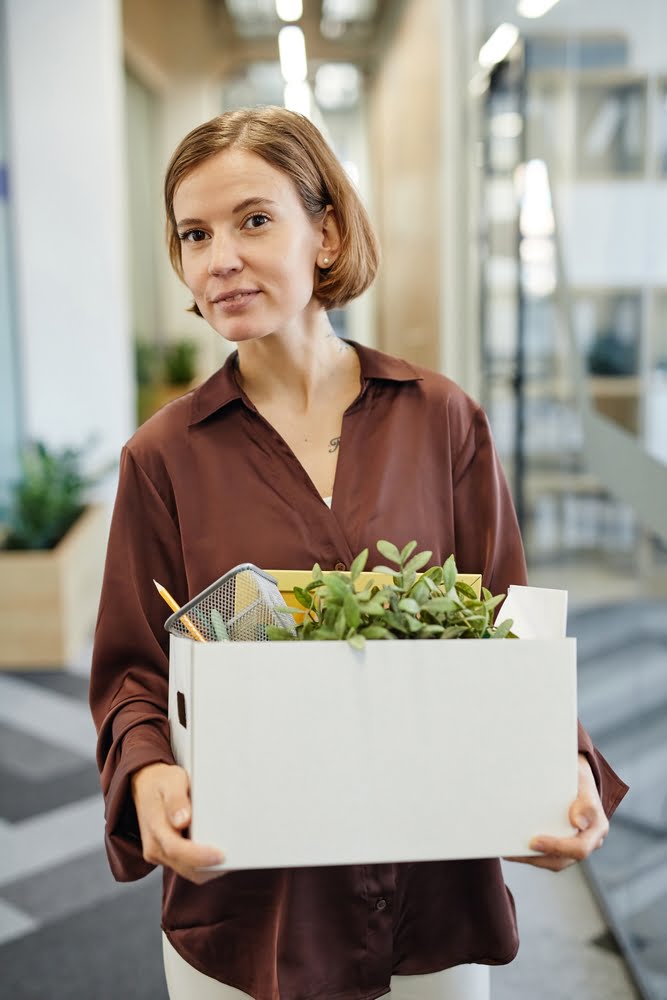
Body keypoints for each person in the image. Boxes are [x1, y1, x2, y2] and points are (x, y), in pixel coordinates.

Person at [89, 107, 628, 1000]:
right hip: (253, 898)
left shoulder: (439, 418)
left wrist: (558, 768)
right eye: (194, 233)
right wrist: (146, 773)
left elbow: (508, 628)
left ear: (325, 230)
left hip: (427, 888)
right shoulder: (165, 454)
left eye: (253, 220)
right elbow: (131, 672)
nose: (218, 257)